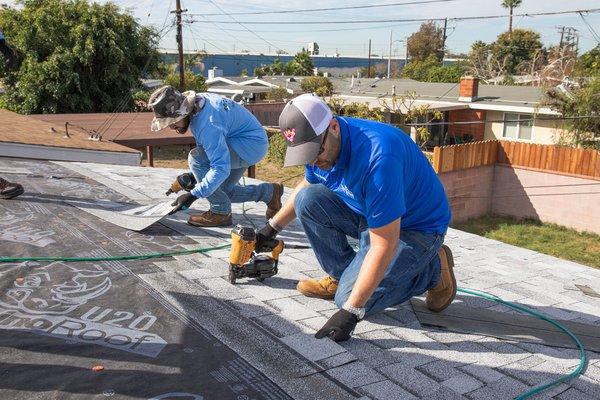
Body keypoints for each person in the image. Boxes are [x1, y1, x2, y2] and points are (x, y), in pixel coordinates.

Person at [256, 93, 455, 342]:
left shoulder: (379, 157)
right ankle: (342, 275)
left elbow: (384, 243)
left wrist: (351, 311)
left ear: (334, 127)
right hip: (371, 215)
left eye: (316, 153)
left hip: (415, 229)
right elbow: (308, 184)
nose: (314, 162)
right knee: (309, 200)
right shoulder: (321, 145)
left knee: (350, 299)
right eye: (306, 156)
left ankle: (433, 270)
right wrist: (271, 229)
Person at [148, 86, 283, 227]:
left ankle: (220, 212)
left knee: (195, 158)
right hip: (248, 142)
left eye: (172, 122)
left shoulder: (208, 124)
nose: (171, 127)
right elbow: (208, 149)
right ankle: (269, 193)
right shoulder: (199, 104)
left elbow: (220, 167)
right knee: (221, 191)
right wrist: (195, 177)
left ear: (182, 113)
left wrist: (193, 195)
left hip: (247, 146)